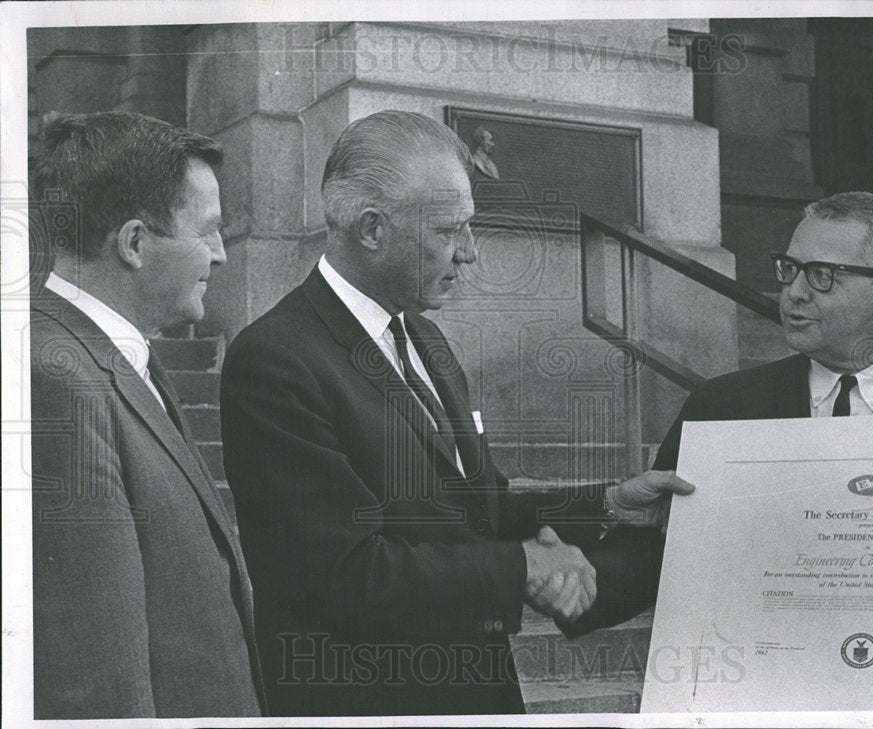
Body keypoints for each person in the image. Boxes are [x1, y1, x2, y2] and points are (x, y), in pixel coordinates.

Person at [219, 110, 692, 716]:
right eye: (449, 231)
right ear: (371, 229)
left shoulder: (426, 339)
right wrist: (523, 566)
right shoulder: (276, 360)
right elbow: (341, 574)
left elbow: (479, 506)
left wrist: (606, 502)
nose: (469, 253)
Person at [30, 111, 264, 718]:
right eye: (209, 232)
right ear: (134, 243)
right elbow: (95, 680)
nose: (222, 257)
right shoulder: (54, 377)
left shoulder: (110, 356)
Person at [653, 191, 873, 473]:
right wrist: (609, 507)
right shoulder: (719, 406)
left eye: (822, 274)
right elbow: (649, 530)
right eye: (790, 269)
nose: (794, 292)